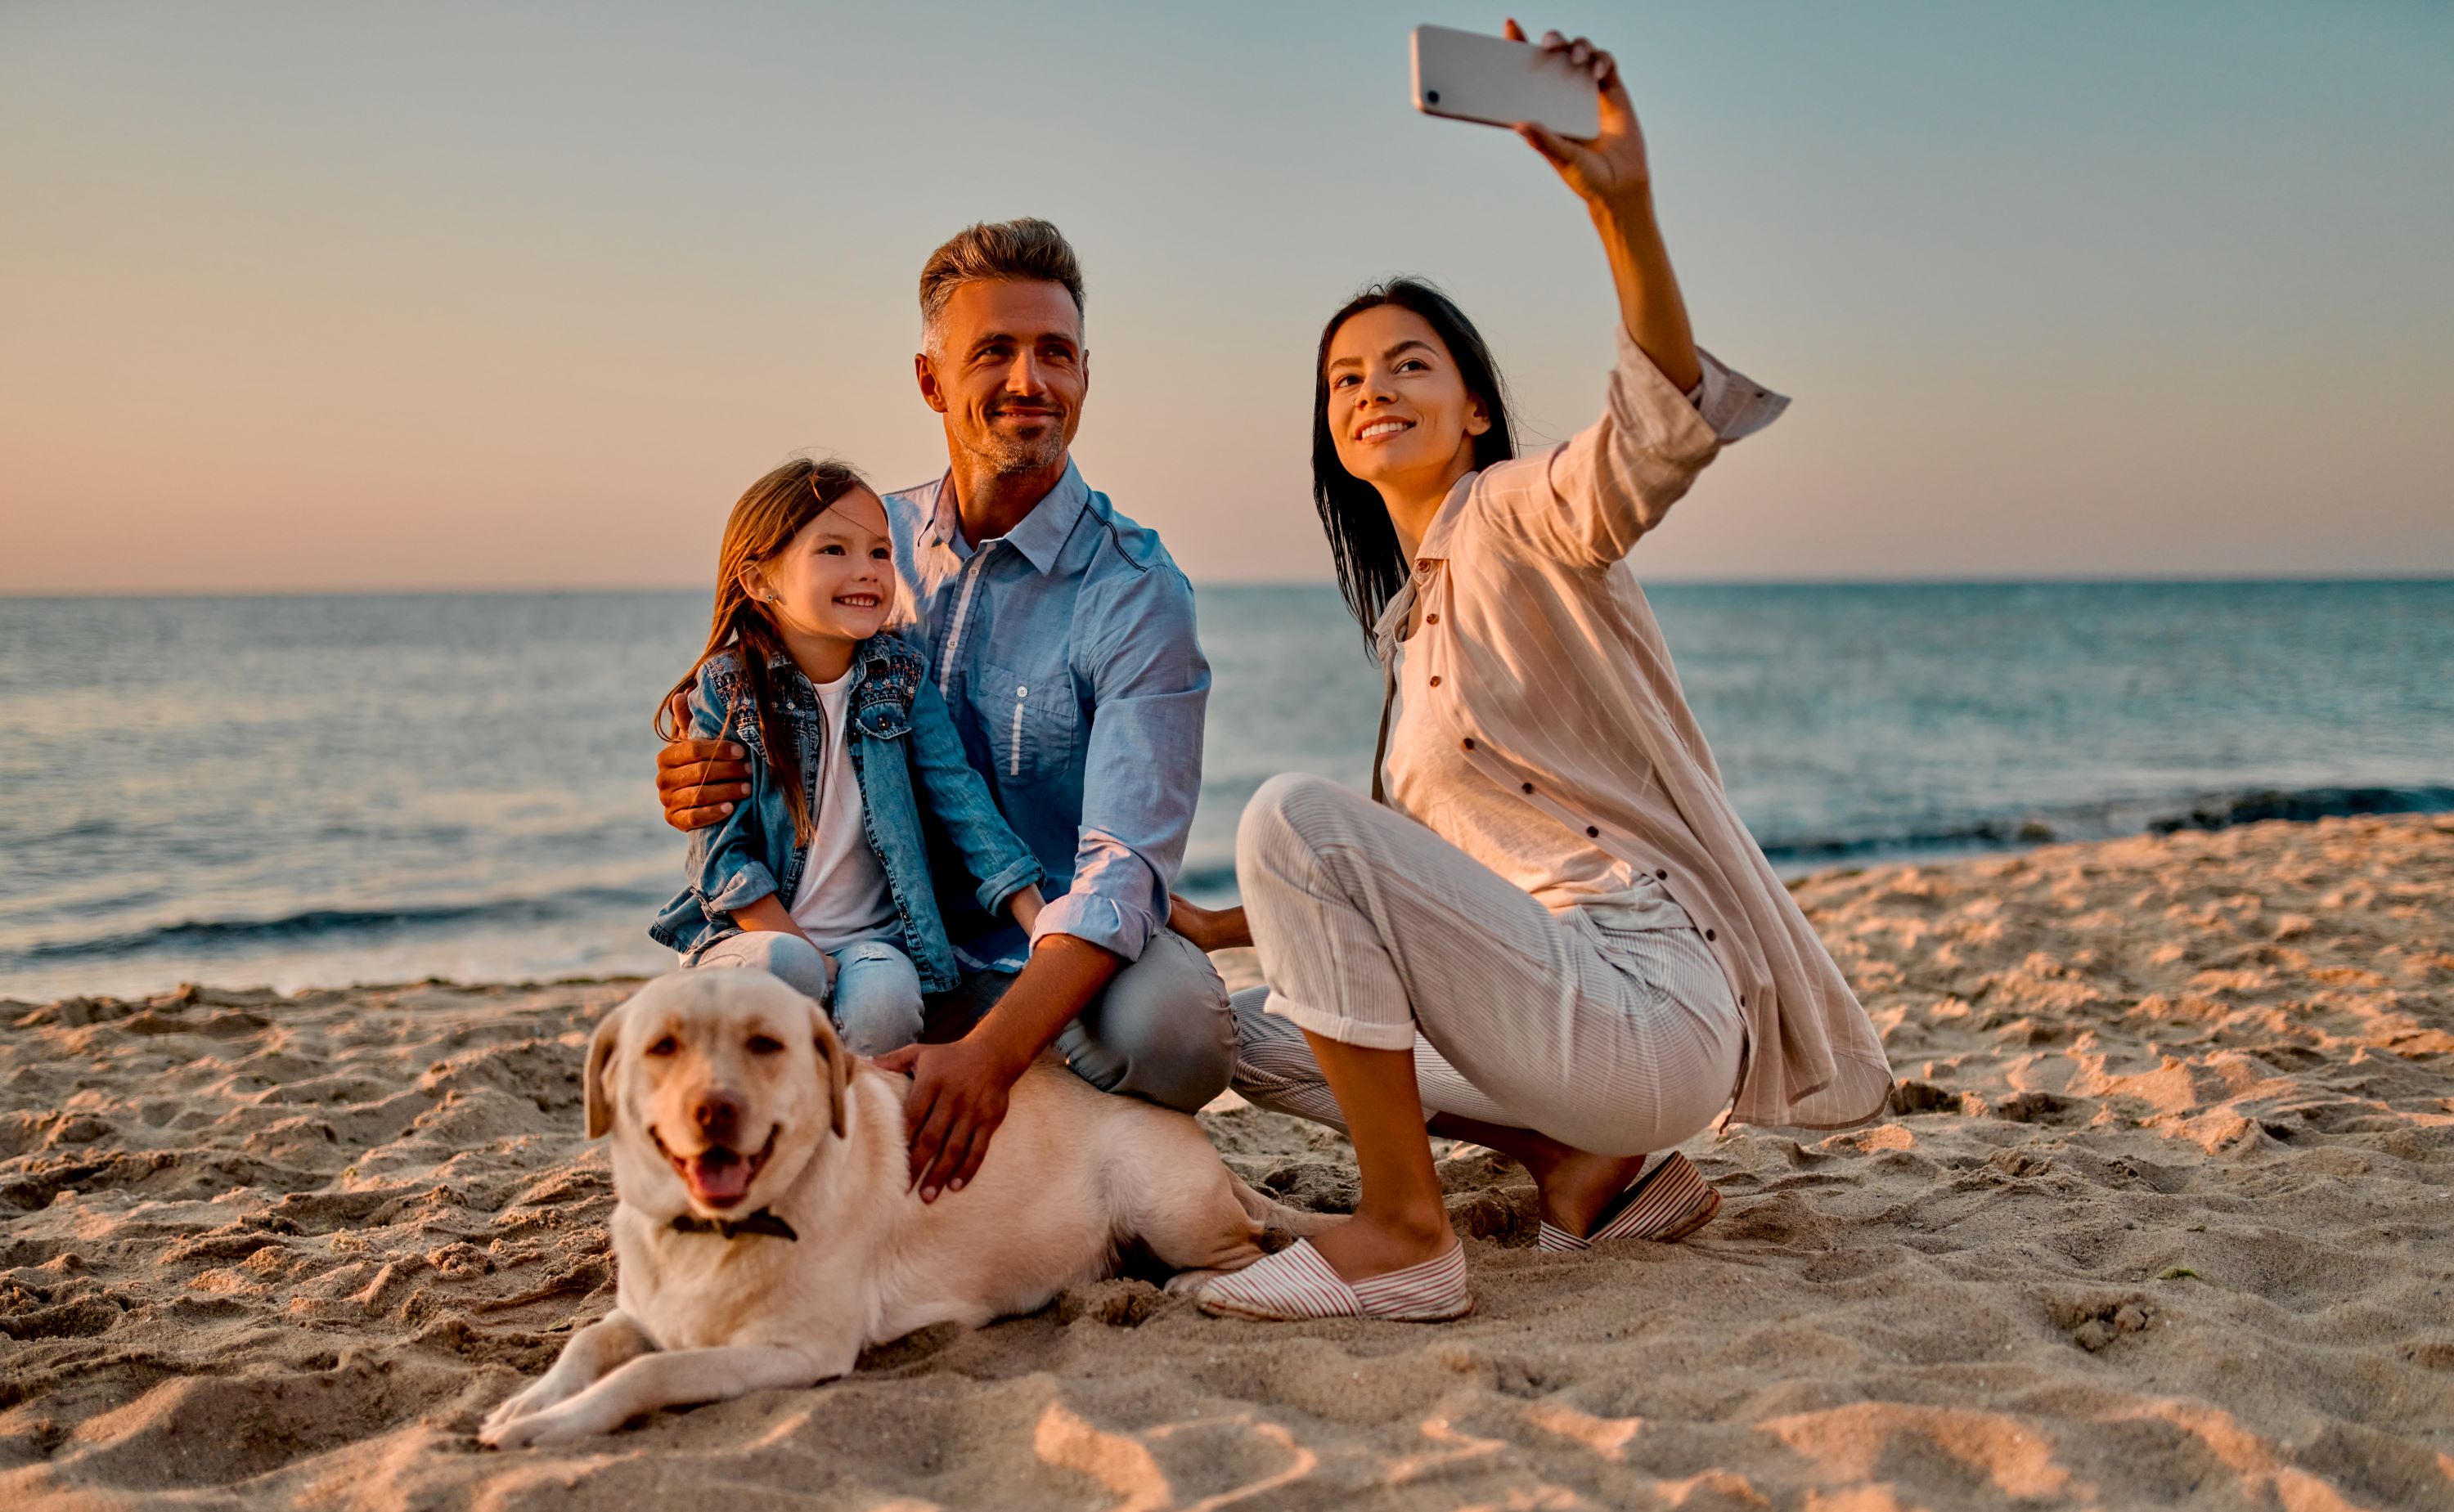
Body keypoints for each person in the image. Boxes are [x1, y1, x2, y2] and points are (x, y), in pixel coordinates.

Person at [1169, 23, 1892, 1322]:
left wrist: (1626, 209)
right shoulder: (1413, 623)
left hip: (1647, 991)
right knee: (1255, 1036)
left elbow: (1651, 439)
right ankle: (1584, 1166)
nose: (1371, 388)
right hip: (1563, 1015)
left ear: (1476, 407)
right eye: (1345, 377)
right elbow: (1401, 875)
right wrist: (1206, 926)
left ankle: (1405, 1235)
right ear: (1329, 429)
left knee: (1285, 813)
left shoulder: (1517, 512)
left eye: (1407, 364)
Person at [656, 221, 1234, 1205]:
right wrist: (696, 764)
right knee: (807, 984)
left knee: (1176, 1029)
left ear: (1086, 374)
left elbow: (1122, 865)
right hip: (877, 938)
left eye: (1055, 353)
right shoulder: (858, 549)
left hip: (1037, 957)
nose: (1029, 379)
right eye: (994, 352)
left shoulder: (1136, 589)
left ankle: (1005, 1094)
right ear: (931, 381)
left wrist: (991, 1058)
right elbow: (756, 688)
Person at [649, 457, 1046, 1057]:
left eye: (880, 552)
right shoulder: (726, 690)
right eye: (834, 550)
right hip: (753, 937)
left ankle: (852, 1131)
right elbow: (719, 858)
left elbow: (967, 808)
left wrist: (1044, 928)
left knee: (886, 996)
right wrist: (808, 954)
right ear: (759, 580)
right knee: (787, 969)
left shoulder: (904, 680)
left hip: (876, 942)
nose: (866, 571)